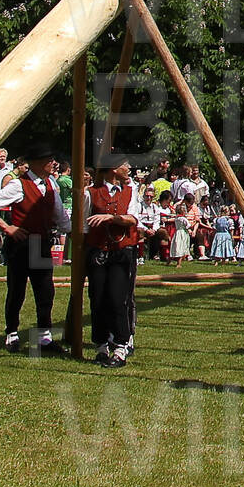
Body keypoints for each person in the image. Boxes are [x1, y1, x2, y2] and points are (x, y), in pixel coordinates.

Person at [0, 148, 68, 354]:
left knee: (45, 291)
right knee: (16, 290)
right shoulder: (18, 185)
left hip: (41, 244)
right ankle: (12, 333)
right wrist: (7, 227)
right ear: (37, 163)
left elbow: (61, 216)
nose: (54, 163)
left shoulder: (50, 185)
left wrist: (78, 230)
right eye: (49, 160)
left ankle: (44, 337)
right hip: (21, 245)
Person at [83, 156, 149, 367]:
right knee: (97, 298)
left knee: (118, 298)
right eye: (124, 164)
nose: (128, 168)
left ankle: (121, 346)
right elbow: (83, 225)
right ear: (113, 168)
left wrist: (111, 218)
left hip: (121, 252)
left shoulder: (130, 192)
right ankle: (101, 345)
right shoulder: (90, 193)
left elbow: (133, 218)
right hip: (97, 251)